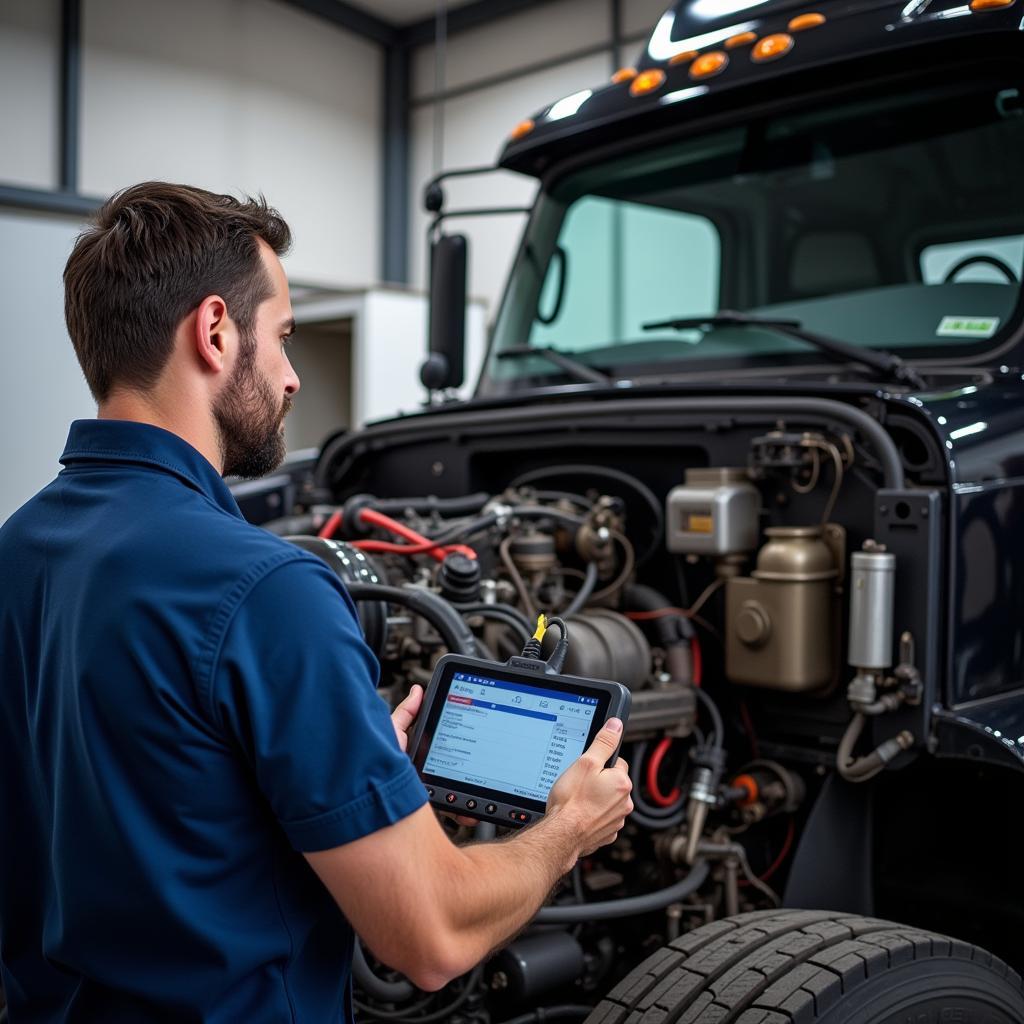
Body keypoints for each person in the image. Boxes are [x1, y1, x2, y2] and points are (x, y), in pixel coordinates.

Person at [0, 182, 633, 1022]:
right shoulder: (267, 591)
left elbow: (125, 793)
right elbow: (432, 937)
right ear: (217, 331)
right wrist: (569, 830)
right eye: (285, 338)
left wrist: (337, 766)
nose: (293, 377)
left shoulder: (19, 546)